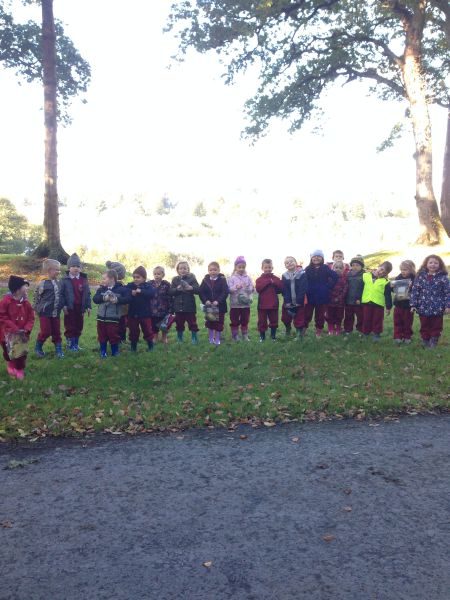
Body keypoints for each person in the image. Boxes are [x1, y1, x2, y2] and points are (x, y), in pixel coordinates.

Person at [410, 254, 450, 348]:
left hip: (438, 308)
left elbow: (448, 292)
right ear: (426, 264)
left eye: (436, 263)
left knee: (436, 325)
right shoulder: (420, 277)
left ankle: (434, 339)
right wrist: (413, 304)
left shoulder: (443, 278)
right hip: (423, 307)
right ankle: (425, 339)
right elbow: (415, 291)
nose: (433, 265)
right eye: (431, 262)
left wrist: (448, 306)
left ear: (440, 265)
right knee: (424, 325)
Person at [0, 276, 34, 380]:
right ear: (18, 289)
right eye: (25, 286)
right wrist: (13, 327)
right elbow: (2, 316)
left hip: (22, 333)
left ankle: (19, 369)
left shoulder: (26, 303)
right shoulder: (6, 301)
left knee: (21, 353)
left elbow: (31, 317)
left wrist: (27, 328)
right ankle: (10, 363)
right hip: (7, 333)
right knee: (7, 350)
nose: (27, 288)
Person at [93, 269, 129, 358]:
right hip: (101, 317)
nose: (102, 280)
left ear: (112, 279)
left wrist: (117, 300)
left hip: (113, 318)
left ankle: (115, 351)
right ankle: (103, 351)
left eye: (104, 279)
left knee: (113, 334)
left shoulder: (121, 289)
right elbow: (95, 299)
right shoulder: (101, 289)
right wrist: (103, 298)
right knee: (101, 334)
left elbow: (128, 299)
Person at [59, 253, 91, 352]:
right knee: (70, 326)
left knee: (79, 326)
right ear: (69, 268)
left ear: (80, 268)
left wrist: (88, 306)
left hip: (80, 307)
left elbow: (87, 294)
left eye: (78, 266)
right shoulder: (64, 280)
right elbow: (61, 294)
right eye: (73, 266)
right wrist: (64, 305)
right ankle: (70, 345)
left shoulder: (83, 279)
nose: (76, 268)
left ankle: (76, 344)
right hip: (69, 307)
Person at [33, 258, 64, 358]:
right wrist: (35, 309)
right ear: (49, 270)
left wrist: (64, 306)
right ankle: (38, 347)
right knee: (46, 331)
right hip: (44, 312)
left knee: (57, 332)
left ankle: (58, 350)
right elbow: (36, 297)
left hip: (56, 312)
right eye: (56, 270)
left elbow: (62, 296)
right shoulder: (42, 283)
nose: (58, 272)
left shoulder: (59, 283)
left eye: (59, 270)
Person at [304, 250, 339, 338]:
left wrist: (328, 286)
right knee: (307, 314)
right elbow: (302, 280)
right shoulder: (307, 269)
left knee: (320, 316)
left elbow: (335, 276)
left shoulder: (325, 268)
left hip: (322, 297)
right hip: (310, 296)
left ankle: (318, 331)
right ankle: (303, 331)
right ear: (311, 258)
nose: (316, 258)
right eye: (314, 256)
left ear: (322, 258)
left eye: (319, 256)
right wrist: (305, 289)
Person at [126, 266, 156, 352]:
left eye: (138, 277)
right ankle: (133, 348)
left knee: (147, 330)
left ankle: (150, 346)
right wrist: (130, 292)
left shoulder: (148, 286)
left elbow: (152, 294)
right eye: (134, 277)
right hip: (132, 313)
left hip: (145, 314)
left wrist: (141, 291)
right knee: (133, 331)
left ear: (144, 278)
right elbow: (123, 290)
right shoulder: (130, 285)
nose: (135, 279)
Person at [361, 261, 393, 340]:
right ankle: (366, 332)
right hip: (367, 302)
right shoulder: (366, 275)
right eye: (381, 269)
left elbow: (387, 295)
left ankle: (376, 333)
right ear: (378, 266)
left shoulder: (385, 282)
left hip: (378, 304)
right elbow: (360, 287)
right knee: (366, 319)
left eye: (384, 272)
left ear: (386, 274)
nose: (381, 272)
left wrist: (388, 307)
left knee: (377, 319)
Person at [170, 261, 200, 344]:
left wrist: (191, 288)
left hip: (189, 307)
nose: (183, 270)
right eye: (180, 268)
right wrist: (177, 289)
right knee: (179, 324)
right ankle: (180, 338)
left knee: (192, 323)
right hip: (178, 307)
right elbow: (170, 291)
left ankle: (194, 338)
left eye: (185, 268)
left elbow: (198, 290)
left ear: (188, 269)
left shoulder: (192, 279)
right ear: (177, 270)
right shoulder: (175, 279)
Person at [199, 262, 229, 345]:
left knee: (219, 323)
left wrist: (218, 301)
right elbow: (201, 292)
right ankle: (211, 339)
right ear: (208, 271)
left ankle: (217, 339)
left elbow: (225, 292)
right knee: (210, 323)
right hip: (210, 306)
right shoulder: (205, 280)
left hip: (220, 306)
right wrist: (206, 301)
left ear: (219, 270)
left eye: (215, 270)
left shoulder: (222, 280)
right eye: (211, 270)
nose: (213, 272)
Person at [255, 259, 283, 341]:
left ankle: (273, 336)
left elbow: (280, 289)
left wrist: (274, 283)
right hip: (262, 305)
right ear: (262, 268)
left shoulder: (276, 278)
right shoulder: (259, 280)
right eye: (266, 267)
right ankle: (262, 337)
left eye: (269, 267)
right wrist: (268, 282)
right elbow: (258, 289)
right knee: (262, 321)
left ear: (272, 268)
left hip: (273, 304)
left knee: (274, 321)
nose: (268, 269)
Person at [281, 256, 308, 340]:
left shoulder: (302, 274)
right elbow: (284, 289)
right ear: (285, 266)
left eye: (291, 261)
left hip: (299, 301)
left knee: (299, 318)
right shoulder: (284, 275)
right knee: (285, 318)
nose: (289, 263)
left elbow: (303, 288)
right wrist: (287, 301)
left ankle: (299, 334)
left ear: (296, 263)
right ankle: (288, 329)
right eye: (287, 263)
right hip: (287, 302)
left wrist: (299, 301)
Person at [227, 256, 254, 342]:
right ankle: (235, 335)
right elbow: (229, 290)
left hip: (245, 304)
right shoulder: (231, 278)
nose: (241, 269)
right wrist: (236, 287)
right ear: (235, 267)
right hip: (235, 305)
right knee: (234, 321)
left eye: (243, 267)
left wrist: (247, 288)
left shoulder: (248, 278)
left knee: (245, 320)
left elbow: (252, 289)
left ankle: (245, 335)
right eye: (239, 267)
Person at [392, 260, 416, 345]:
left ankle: (407, 336)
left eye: (405, 270)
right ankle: (398, 336)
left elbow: (417, 291)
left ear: (411, 270)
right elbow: (394, 290)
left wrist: (412, 286)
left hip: (408, 305)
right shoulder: (398, 278)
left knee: (407, 322)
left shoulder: (414, 279)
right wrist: (392, 287)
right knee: (397, 321)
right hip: (398, 304)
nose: (403, 271)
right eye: (401, 269)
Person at [105, 260, 127, 343]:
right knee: (119, 325)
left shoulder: (122, 284)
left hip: (119, 311)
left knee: (120, 325)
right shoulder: (119, 285)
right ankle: (120, 339)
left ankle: (119, 339)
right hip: (117, 310)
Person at [149, 266, 172, 344]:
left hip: (164, 309)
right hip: (153, 309)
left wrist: (170, 308)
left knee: (164, 325)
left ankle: (164, 337)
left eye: (158, 274)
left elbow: (170, 296)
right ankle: (155, 337)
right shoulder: (150, 284)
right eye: (155, 274)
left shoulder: (166, 284)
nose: (156, 276)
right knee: (154, 325)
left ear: (163, 275)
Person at [343, 256, 365, 335]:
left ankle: (360, 329)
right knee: (348, 316)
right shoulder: (348, 274)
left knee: (360, 316)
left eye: (357, 265)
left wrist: (360, 298)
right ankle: (348, 330)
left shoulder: (364, 275)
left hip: (359, 300)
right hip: (349, 299)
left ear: (361, 266)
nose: (355, 267)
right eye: (353, 265)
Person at [325, 261, 348, 335]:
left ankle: (338, 328)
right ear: (333, 268)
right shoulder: (329, 278)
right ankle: (331, 328)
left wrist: (339, 298)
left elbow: (345, 290)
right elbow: (327, 289)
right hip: (330, 301)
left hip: (340, 302)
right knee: (330, 315)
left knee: (339, 316)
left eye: (340, 268)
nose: (338, 269)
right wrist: (330, 297)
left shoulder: (344, 279)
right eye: (336, 267)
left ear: (343, 269)